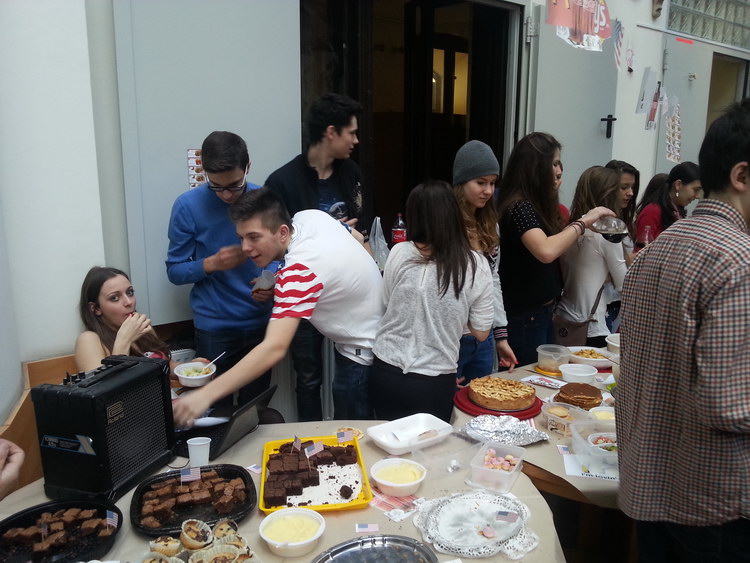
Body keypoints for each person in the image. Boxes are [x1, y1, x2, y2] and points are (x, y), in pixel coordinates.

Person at [617, 98, 750, 562]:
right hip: (713, 502)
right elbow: (728, 405)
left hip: (651, 483)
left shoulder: (658, 248)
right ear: (741, 175)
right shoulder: (738, 261)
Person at [172, 187, 383, 427]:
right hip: (377, 338)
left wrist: (204, 396)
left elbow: (274, 347)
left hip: (361, 352)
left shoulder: (299, 272)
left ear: (282, 232)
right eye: (241, 238)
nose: (245, 247)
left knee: (351, 435)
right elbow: (356, 237)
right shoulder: (310, 217)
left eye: (253, 237)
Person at [264, 93, 367, 422]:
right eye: (351, 132)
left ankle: (347, 440)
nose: (356, 140)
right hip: (304, 294)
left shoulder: (351, 172)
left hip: (344, 296)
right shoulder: (282, 181)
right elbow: (272, 242)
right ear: (331, 132)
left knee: (351, 375)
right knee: (308, 380)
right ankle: (311, 443)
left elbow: (363, 227)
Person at [166, 131, 275, 406]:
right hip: (215, 329)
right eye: (216, 186)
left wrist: (272, 279)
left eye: (235, 186)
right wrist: (210, 264)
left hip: (261, 322)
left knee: (255, 411)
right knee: (215, 413)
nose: (226, 195)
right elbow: (174, 271)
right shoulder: (187, 206)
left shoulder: (265, 200)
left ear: (248, 167)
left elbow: (282, 253)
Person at [371, 180, 494, 422]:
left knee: (386, 442)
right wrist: (455, 315)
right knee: (429, 445)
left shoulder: (399, 252)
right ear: (454, 214)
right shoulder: (475, 264)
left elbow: (387, 301)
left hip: (385, 369)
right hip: (434, 379)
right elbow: (481, 332)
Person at [495, 132, 614, 366]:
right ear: (536, 167)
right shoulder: (519, 207)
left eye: (560, 163)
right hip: (526, 316)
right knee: (528, 378)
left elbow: (553, 242)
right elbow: (546, 251)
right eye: (554, 163)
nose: (559, 170)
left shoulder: (531, 204)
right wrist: (584, 222)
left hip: (540, 312)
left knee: (544, 374)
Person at [452, 140, 516, 382]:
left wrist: (501, 336)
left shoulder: (491, 225)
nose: (488, 191)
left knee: (481, 399)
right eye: (480, 182)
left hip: (484, 336)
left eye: (492, 183)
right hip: (452, 337)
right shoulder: (447, 225)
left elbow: (492, 281)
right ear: (461, 182)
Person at [556, 167, 627, 348]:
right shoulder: (608, 234)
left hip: (563, 316)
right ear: (608, 194)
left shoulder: (571, 228)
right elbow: (624, 285)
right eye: (620, 189)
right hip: (591, 324)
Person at [75, 266, 172, 372]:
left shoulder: (141, 326)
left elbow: (167, 367)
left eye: (130, 292)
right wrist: (124, 341)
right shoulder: (89, 340)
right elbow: (103, 382)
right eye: (114, 298)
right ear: (96, 308)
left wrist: (186, 366)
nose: (129, 302)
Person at [602, 159, 640, 332]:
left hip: (618, 303)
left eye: (632, 187)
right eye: (624, 187)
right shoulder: (600, 223)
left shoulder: (625, 219)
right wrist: (627, 262)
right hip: (602, 304)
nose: (630, 193)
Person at [635, 161, 701, 242]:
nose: (697, 196)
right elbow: (641, 247)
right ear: (678, 185)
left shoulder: (677, 212)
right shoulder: (653, 211)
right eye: (695, 190)